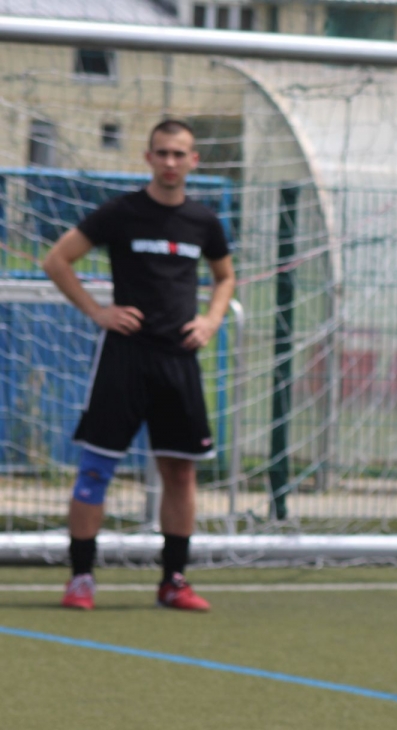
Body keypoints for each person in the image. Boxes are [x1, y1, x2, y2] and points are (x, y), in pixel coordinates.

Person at [43, 119, 235, 612]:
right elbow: (57, 260)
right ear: (148, 158)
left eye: (179, 154)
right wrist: (97, 311)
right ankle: (81, 578)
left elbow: (225, 276)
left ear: (193, 161)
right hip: (124, 359)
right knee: (95, 471)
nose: (170, 162)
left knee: (181, 474)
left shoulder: (204, 222)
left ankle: (173, 581)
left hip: (178, 360)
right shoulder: (120, 213)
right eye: (162, 153)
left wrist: (211, 319)